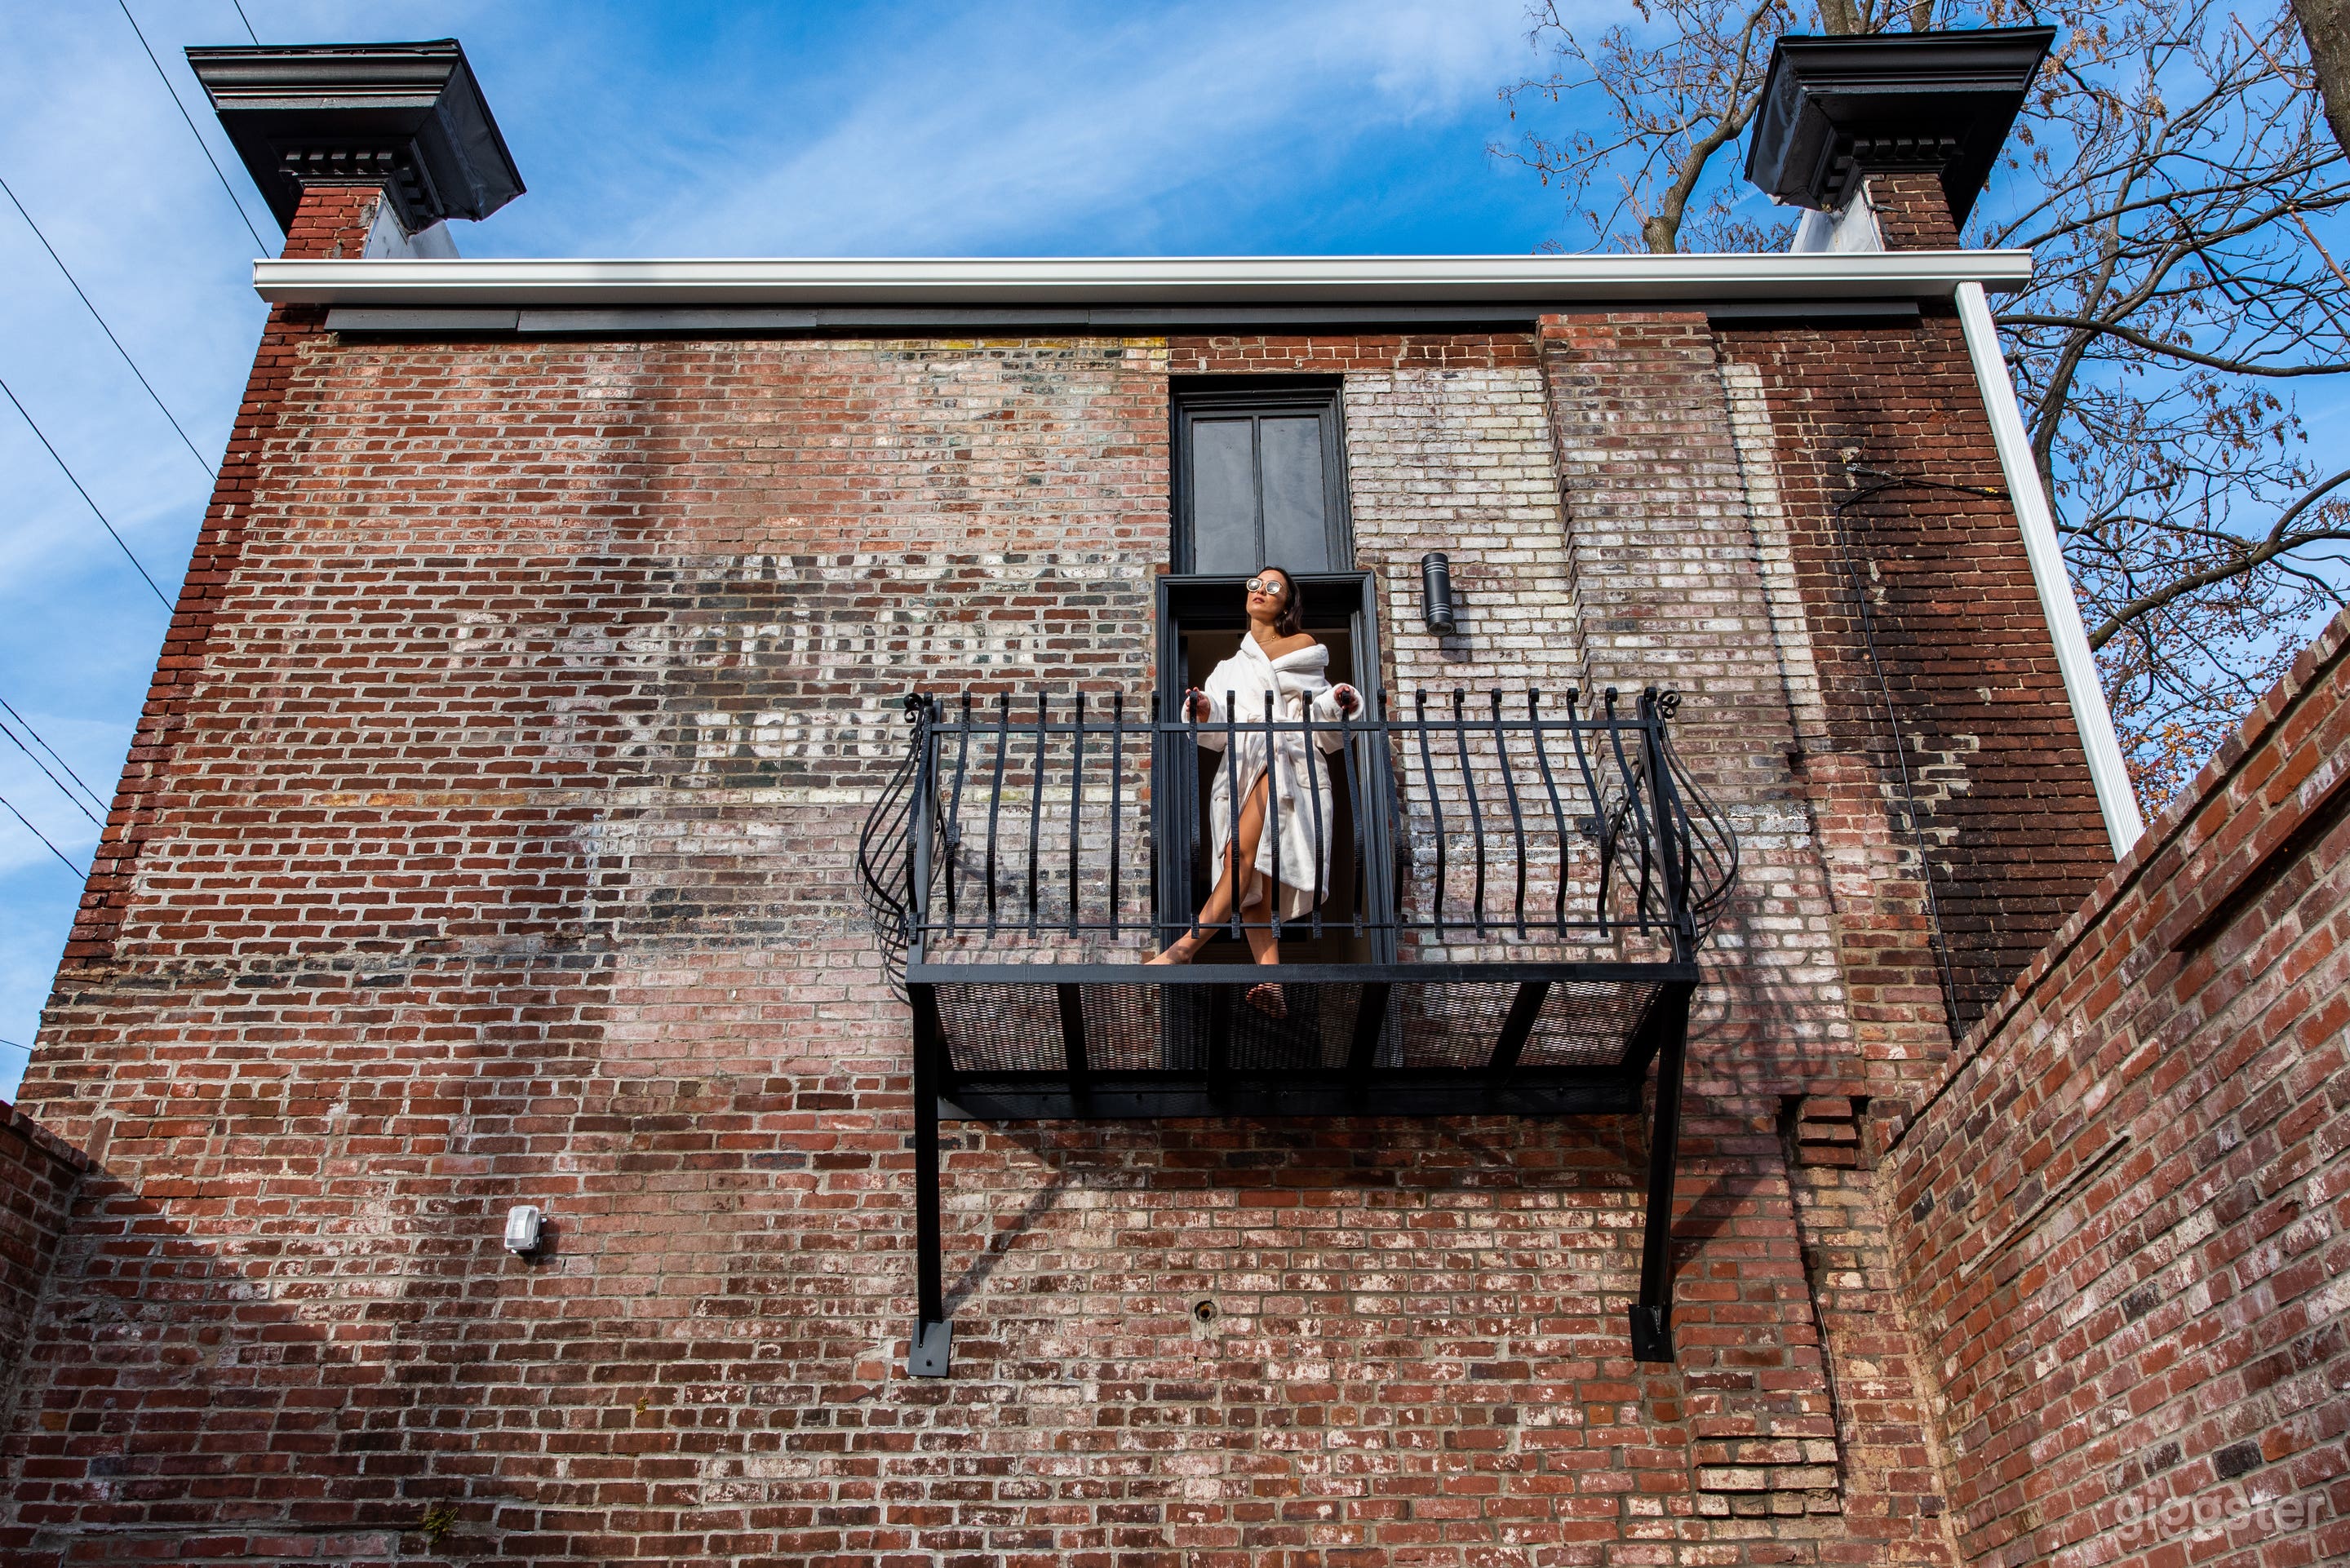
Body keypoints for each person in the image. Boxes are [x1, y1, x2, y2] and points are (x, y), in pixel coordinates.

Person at [1147, 567, 1359, 1017]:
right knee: (1253, 882)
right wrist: (1203, 710)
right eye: (1256, 584)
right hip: (1241, 769)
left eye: (1274, 587)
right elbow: (1219, 732)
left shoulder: (1304, 646)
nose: (1262, 591)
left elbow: (1317, 712)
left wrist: (1338, 699)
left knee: (1239, 855)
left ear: (1287, 602)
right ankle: (1273, 979)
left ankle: (1186, 948)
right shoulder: (1228, 668)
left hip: (1285, 763)